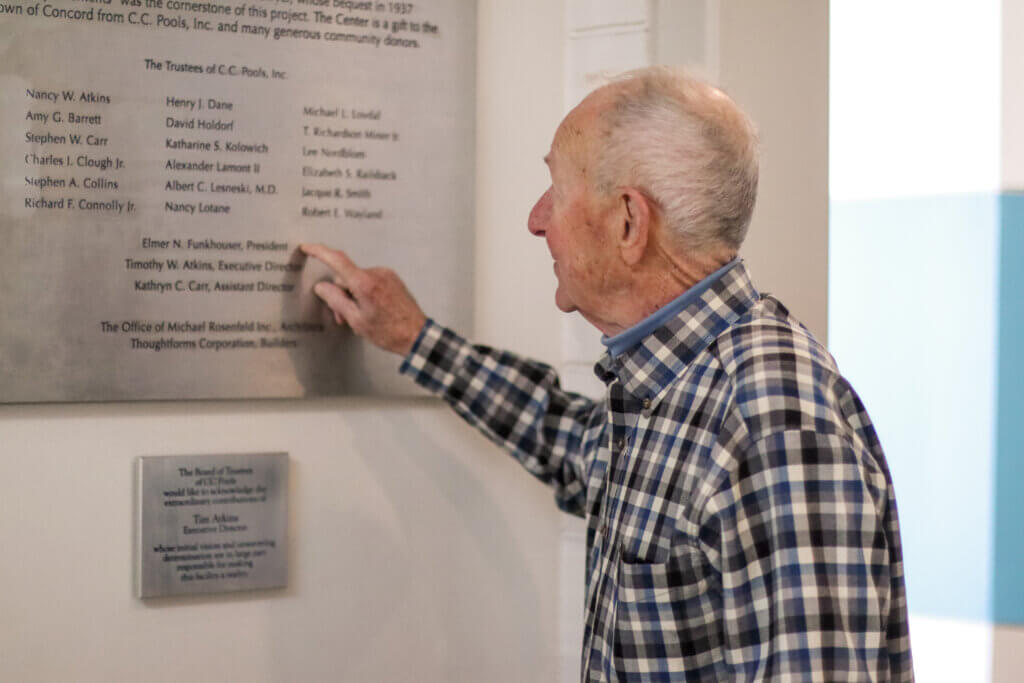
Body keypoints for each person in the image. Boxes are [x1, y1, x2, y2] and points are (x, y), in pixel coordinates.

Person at [301, 67, 914, 681]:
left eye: (555, 190)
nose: (537, 220)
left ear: (628, 221)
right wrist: (414, 338)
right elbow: (568, 442)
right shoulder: (675, 385)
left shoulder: (771, 422)